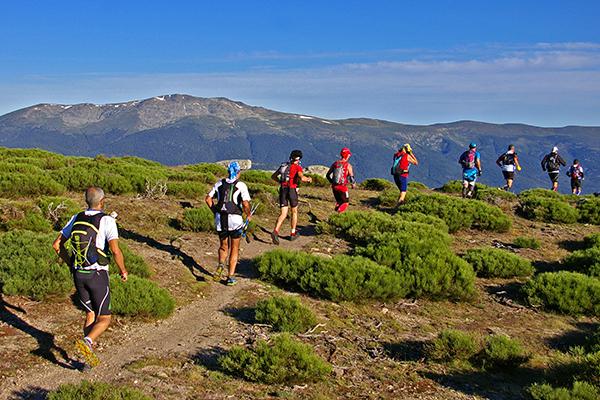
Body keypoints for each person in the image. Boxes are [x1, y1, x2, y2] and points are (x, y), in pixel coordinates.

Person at [52, 187, 128, 369]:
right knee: (105, 318)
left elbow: (56, 245)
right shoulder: (107, 221)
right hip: (98, 273)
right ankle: (87, 341)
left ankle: (87, 360)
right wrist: (123, 270)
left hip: (79, 273)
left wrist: (70, 263)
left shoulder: (76, 217)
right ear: (102, 201)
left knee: (90, 314)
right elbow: (116, 250)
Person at [205, 162, 252, 285]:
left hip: (221, 219)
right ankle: (230, 277)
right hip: (235, 219)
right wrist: (248, 214)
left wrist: (215, 211)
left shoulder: (219, 183)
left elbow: (208, 199)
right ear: (238, 173)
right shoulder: (241, 185)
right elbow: (246, 203)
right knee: (234, 248)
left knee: (223, 245)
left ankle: (221, 264)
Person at [270, 150, 312, 244]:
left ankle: (275, 231)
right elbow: (301, 177)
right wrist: (308, 179)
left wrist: (280, 182)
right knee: (294, 211)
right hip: (292, 190)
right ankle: (293, 233)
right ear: (299, 159)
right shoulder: (298, 167)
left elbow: (273, 176)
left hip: (283, 190)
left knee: (283, 213)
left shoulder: (283, 166)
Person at [326, 147, 356, 213]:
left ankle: (335, 216)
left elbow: (327, 175)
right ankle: (337, 213)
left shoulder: (335, 164)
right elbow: (351, 177)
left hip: (334, 187)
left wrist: (332, 182)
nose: (349, 156)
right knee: (346, 202)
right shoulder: (348, 165)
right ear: (346, 155)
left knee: (339, 202)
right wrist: (353, 184)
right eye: (348, 154)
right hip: (343, 187)